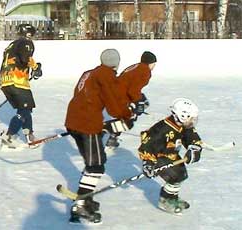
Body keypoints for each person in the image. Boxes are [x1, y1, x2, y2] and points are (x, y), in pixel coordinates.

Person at [65, 48, 134, 224]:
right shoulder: (106, 75)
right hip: (87, 124)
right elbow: (113, 102)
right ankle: (80, 204)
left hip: (73, 120)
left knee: (93, 162)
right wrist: (126, 116)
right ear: (116, 63)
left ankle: (85, 198)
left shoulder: (89, 73)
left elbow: (80, 94)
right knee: (96, 166)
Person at [138, 98, 202, 215]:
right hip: (159, 157)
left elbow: (190, 135)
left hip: (172, 155)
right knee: (174, 177)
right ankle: (165, 200)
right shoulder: (162, 129)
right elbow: (147, 145)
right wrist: (148, 163)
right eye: (190, 118)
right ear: (182, 116)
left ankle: (172, 198)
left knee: (181, 176)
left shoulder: (182, 125)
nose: (192, 121)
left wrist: (194, 147)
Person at [0, 24, 42, 148]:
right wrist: (36, 68)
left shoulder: (12, 44)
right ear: (29, 34)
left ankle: (29, 136)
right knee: (24, 110)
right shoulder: (26, 42)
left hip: (5, 81)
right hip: (17, 80)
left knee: (25, 109)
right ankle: (9, 136)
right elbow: (25, 58)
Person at [105, 51, 157, 149]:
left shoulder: (137, 66)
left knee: (141, 104)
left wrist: (140, 100)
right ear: (149, 63)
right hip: (119, 96)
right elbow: (133, 90)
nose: (154, 66)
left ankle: (111, 132)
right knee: (129, 118)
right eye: (154, 64)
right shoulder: (145, 71)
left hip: (115, 92)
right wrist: (138, 103)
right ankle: (111, 135)